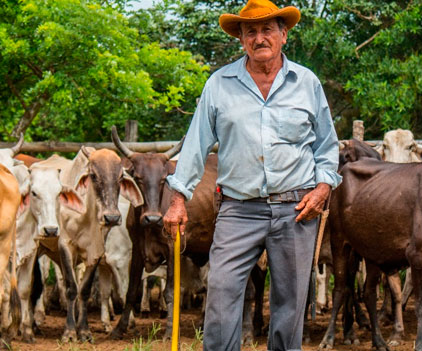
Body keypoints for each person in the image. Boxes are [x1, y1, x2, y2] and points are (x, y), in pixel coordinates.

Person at [163, 0, 342, 349]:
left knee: (290, 306)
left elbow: (327, 147)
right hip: (237, 208)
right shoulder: (219, 84)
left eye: (267, 30)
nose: (259, 38)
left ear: (283, 35)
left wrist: (323, 189)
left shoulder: (307, 83)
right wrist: (178, 200)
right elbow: (196, 146)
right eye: (251, 32)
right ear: (242, 39)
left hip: (296, 208)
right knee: (221, 295)